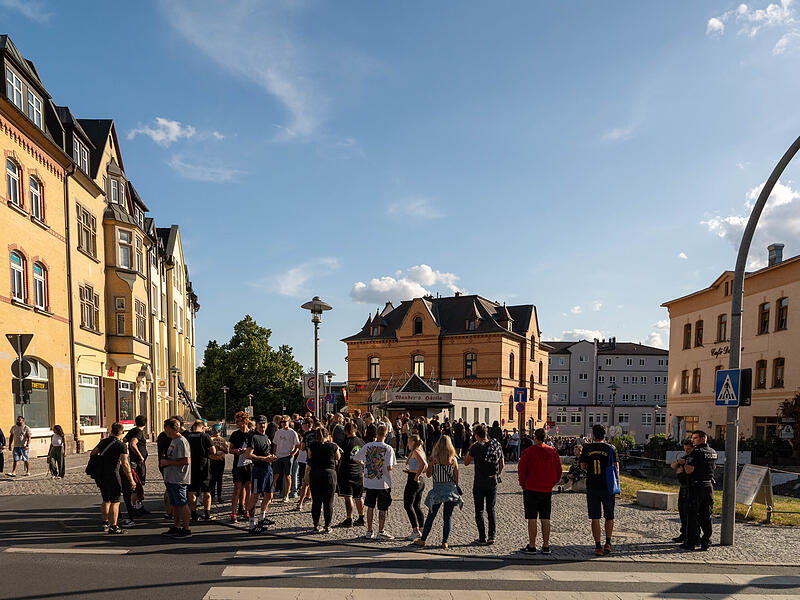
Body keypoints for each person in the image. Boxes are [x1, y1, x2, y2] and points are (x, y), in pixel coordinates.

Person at [517, 428, 562, 554]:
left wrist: (523, 484)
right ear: (546, 438)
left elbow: (522, 470)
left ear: (535, 438)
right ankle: (546, 545)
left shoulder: (528, 451)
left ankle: (532, 545)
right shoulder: (553, 451)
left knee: (532, 518)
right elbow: (558, 470)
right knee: (545, 517)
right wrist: (552, 483)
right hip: (547, 489)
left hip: (531, 488)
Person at [414, 436, 462, 549]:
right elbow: (456, 478)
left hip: (437, 491)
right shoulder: (453, 460)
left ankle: (423, 539)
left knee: (431, 516)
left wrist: (431, 466)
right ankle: (444, 542)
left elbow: (429, 475)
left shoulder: (434, 459)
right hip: (450, 491)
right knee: (447, 517)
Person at [580, 424, 619, 556]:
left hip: (592, 485)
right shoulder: (611, 448)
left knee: (595, 517)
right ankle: (608, 543)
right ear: (605, 434)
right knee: (609, 515)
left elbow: (583, 465)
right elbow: (616, 468)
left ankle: (597, 546)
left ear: (593, 435)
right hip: (607, 486)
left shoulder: (587, 448)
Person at [353, 423, 396, 540]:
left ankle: (369, 530)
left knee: (370, 506)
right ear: (386, 435)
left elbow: (356, 457)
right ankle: (380, 531)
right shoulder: (388, 448)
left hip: (369, 481)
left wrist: (365, 464)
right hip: (383, 483)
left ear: (376, 434)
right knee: (382, 508)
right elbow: (390, 467)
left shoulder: (367, 446)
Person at [91, 422, 135, 535]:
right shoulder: (121, 445)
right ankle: (114, 526)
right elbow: (125, 464)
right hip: (113, 475)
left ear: (111, 431)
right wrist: (131, 479)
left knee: (106, 499)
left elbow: (93, 453)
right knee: (115, 501)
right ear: (122, 432)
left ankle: (105, 523)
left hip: (102, 474)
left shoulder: (103, 441)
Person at [677, 430, 717, 551]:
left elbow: (689, 470)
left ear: (702, 439)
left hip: (696, 486)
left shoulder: (696, 452)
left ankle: (691, 542)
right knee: (706, 514)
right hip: (709, 486)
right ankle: (706, 541)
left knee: (692, 514)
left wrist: (683, 465)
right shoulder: (713, 452)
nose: (692, 440)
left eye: (695, 438)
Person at [464, 424, 504, 545]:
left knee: (479, 510)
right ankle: (492, 536)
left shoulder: (476, 447)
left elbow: (466, 462)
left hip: (479, 483)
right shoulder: (496, 445)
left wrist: (470, 448)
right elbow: (502, 464)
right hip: (492, 482)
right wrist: (498, 475)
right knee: (491, 510)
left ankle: (482, 537)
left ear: (476, 435)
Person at [160, 417, 192, 539]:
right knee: (175, 504)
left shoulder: (181, 441)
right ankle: (177, 526)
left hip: (178, 478)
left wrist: (167, 462)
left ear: (169, 428)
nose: (164, 431)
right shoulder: (173, 440)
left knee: (182, 503)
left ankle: (186, 529)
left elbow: (186, 460)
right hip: (171, 478)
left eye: (165, 428)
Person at [245, 415, 277, 533]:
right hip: (258, 469)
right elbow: (248, 455)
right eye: (260, 424)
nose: (262, 426)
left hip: (267, 468)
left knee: (269, 495)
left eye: (264, 423)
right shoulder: (253, 437)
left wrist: (270, 457)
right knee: (255, 495)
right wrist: (264, 459)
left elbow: (266, 452)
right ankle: (251, 525)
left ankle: (262, 518)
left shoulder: (266, 436)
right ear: (256, 424)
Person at [307, 426, 341, 532]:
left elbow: (309, 457)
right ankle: (327, 525)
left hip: (315, 473)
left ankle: (316, 524)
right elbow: (338, 457)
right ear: (328, 435)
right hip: (329, 474)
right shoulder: (333, 446)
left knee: (316, 501)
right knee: (328, 501)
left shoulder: (312, 446)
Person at [334, 421, 366, 528]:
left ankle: (349, 519)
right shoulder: (361, 442)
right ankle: (361, 518)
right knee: (359, 496)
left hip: (346, 472)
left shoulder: (344, 443)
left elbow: (339, 458)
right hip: (358, 472)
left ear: (346, 431)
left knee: (348, 497)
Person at [186, 419, 216, 521]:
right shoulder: (205, 436)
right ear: (203, 427)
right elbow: (213, 451)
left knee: (192, 491)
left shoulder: (188, 436)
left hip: (191, 466)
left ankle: (193, 514)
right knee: (207, 490)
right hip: (204, 466)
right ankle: (207, 514)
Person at [402, 434, 427, 540]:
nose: (407, 444)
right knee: (416, 505)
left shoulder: (416, 451)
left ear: (413, 442)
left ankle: (415, 530)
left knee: (407, 505)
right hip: (419, 480)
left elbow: (423, 464)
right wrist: (412, 471)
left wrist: (415, 475)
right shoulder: (420, 451)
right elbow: (424, 467)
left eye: (408, 442)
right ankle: (422, 529)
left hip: (414, 480)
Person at [229, 412, 253, 522]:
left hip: (249, 464)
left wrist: (247, 451)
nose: (236, 423)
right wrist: (236, 451)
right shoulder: (235, 434)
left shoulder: (252, 434)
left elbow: (256, 448)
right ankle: (233, 513)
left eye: (238, 421)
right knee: (237, 488)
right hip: (237, 464)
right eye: (236, 421)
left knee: (248, 488)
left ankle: (247, 511)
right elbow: (230, 449)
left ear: (245, 421)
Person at [670, 439, 695, 544]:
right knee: (682, 512)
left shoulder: (695, 457)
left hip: (691, 487)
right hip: (683, 487)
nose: (686, 451)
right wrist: (678, 462)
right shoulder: (685, 457)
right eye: (685, 449)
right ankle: (684, 533)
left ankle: (691, 535)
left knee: (689, 513)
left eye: (688, 449)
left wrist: (683, 467)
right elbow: (673, 466)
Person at [123, 415, 148, 515]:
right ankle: (136, 506)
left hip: (133, 460)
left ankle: (137, 505)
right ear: (145, 423)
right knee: (138, 483)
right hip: (137, 462)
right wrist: (140, 455)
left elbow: (125, 440)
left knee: (137, 484)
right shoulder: (139, 432)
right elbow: (133, 443)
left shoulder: (132, 430)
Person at [272, 417, 300, 501]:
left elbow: (297, 445)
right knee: (275, 476)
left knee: (287, 476)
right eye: (282, 422)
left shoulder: (292, 432)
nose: (283, 423)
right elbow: (275, 444)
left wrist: (292, 454)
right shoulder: (278, 432)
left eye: (285, 421)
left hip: (287, 456)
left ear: (289, 422)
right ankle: (271, 494)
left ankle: (286, 495)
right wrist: (274, 453)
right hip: (278, 456)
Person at [209, 423, 228, 505]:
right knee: (214, 479)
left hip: (218, 460)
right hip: (215, 460)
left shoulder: (222, 440)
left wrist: (220, 448)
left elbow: (226, 451)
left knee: (217, 479)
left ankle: (217, 496)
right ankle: (214, 496)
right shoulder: (210, 439)